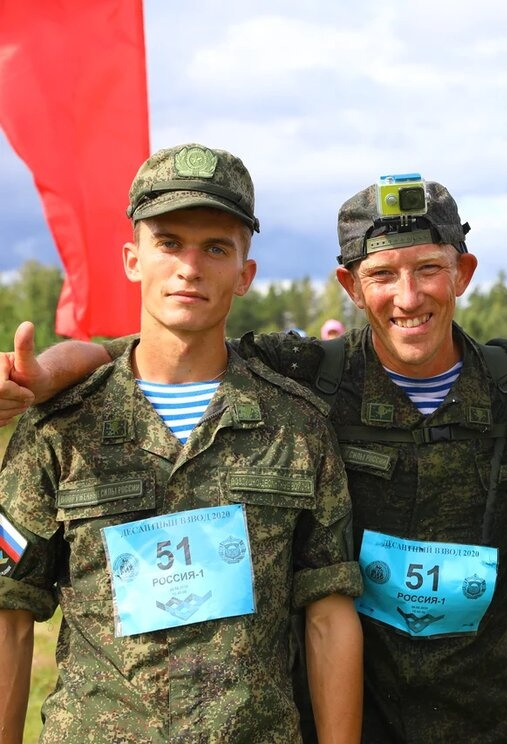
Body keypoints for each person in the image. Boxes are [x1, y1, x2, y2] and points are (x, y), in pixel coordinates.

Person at [0, 177, 507, 743]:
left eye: (429, 270)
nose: (408, 297)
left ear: (462, 272)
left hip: (479, 716)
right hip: (339, 714)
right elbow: (169, 342)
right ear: (351, 287)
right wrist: (50, 373)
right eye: (382, 274)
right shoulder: (309, 377)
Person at [0, 143, 363, 743]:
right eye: (168, 243)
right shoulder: (60, 427)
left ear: (245, 274)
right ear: (132, 258)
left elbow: (328, 610)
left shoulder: (297, 426)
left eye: (216, 248)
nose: (189, 267)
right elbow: (9, 613)